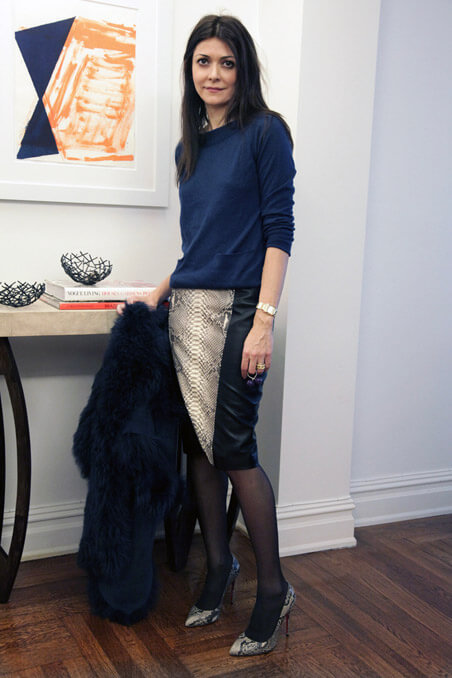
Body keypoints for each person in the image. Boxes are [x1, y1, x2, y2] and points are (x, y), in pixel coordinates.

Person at [120, 14, 296, 656]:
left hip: (242, 308)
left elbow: (279, 231)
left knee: (235, 448)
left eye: (226, 62)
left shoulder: (266, 132)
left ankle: (274, 590)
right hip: (189, 308)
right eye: (203, 62)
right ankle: (219, 568)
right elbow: (200, 245)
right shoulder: (188, 149)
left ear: (242, 69)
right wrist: (160, 291)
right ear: (190, 70)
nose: (214, 74)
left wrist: (264, 321)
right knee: (199, 448)